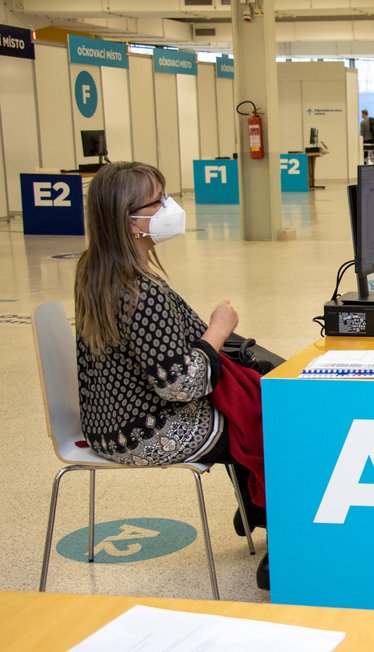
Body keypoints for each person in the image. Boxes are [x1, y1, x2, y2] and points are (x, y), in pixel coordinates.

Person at [73, 162, 272, 590]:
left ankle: (257, 506)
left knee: (248, 409)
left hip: (106, 425)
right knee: (271, 419)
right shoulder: (142, 291)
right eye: (157, 202)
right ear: (130, 221)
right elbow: (180, 385)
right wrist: (218, 330)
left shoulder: (95, 270)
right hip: (148, 431)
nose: (169, 207)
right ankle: (283, 533)